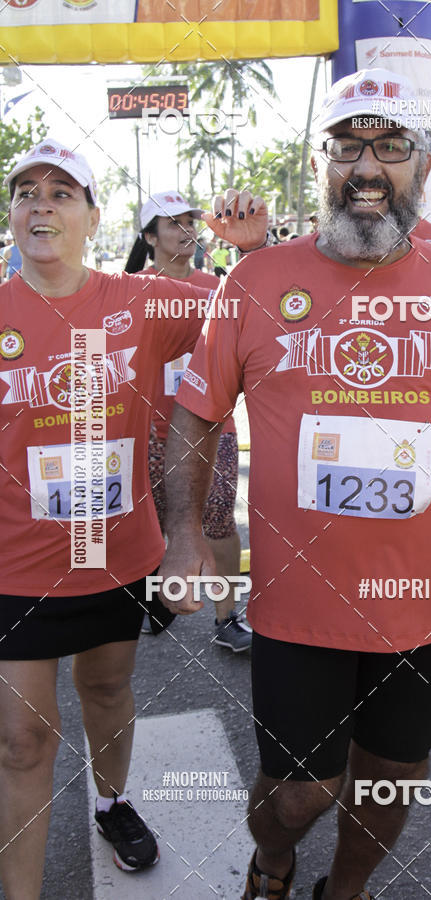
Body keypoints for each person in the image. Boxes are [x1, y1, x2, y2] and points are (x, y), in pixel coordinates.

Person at [156, 69, 431, 900]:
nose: (367, 164)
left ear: (420, 164)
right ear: (323, 162)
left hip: (416, 609)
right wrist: (182, 532)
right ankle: (273, 863)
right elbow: (196, 415)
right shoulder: (252, 282)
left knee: (391, 782)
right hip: (296, 608)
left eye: (389, 145)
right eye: (349, 143)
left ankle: (342, 892)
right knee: (294, 797)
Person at [0, 139, 264, 900]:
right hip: (18, 565)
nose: (40, 204)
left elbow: (253, 314)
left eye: (61, 193)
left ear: (92, 216)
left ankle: (113, 803)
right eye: (26, 192)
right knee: (22, 741)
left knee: (108, 693)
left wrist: (250, 251)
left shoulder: (141, 302)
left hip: (116, 553)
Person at [125, 190, 251, 651]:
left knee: (218, 523)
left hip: (213, 429)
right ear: (149, 236)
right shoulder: (126, 291)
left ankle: (226, 617)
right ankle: (156, 601)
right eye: (172, 222)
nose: (185, 230)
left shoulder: (217, 288)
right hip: (146, 433)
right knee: (152, 526)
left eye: (189, 220)